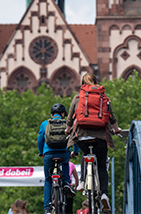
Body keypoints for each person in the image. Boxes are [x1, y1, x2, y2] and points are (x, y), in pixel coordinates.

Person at [66, 73, 121, 214]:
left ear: (82, 84)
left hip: (83, 137)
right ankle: (103, 194)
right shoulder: (104, 97)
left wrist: (67, 130)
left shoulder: (78, 97)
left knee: (85, 154)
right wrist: (116, 130)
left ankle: (83, 181)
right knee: (102, 165)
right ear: (96, 82)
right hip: (101, 137)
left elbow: (70, 117)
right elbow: (111, 117)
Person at [38, 103, 75, 214]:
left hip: (48, 154)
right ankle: (66, 183)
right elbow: (74, 137)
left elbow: (40, 140)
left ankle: (47, 209)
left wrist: (41, 152)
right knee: (65, 163)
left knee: (48, 180)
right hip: (64, 153)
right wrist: (75, 151)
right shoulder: (67, 124)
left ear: (51, 114)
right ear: (63, 114)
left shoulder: (45, 124)